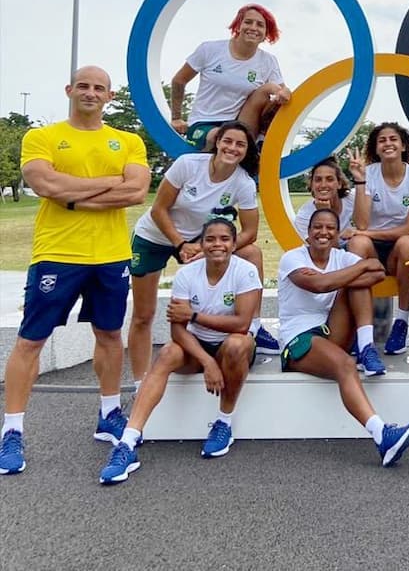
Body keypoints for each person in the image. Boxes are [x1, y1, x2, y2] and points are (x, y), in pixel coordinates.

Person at [0, 67, 150, 477]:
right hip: (57, 253)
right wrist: (104, 186)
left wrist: (70, 194)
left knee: (108, 335)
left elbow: (135, 191)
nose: (90, 92)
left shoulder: (128, 141)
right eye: (83, 86)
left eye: (98, 88)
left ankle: (108, 413)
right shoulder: (42, 137)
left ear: (109, 96)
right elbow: (43, 183)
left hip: (110, 255)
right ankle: (11, 430)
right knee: (31, 340)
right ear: (69, 90)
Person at [98, 217, 260, 484]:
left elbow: (242, 324)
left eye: (224, 239)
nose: (217, 244)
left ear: (233, 244)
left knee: (236, 344)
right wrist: (207, 362)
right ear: (201, 244)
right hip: (197, 346)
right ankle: (128, 443)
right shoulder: (186, 274)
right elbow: (177, 330)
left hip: (231, 344)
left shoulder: (245, 271)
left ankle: (223, 423)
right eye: (210, 239)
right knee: (168, 353)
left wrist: (194, 315)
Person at [127, 121, 276, 389]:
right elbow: (159, 209)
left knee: (252, 253)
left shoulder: (242, 181)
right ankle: (140, 383)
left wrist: (207, 247)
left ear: (246, 152)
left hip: (197, 241)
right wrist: (181, 245)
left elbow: (250, 232)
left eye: (240, 144)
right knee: (143, 314)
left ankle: (254, 326)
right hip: (156, 236)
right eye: (227, 141)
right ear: (217, 142)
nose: (232, 148)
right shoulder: (188, 164)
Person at [275, 207, 409, 466]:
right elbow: (319, 285)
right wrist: (355, 269)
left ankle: (366, 347)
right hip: (299, 337)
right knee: (345, 364)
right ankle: (381, 434)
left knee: (358, 283)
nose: (323, 232)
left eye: (330, 227)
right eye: (317, 227)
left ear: (337, 234)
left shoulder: (341, 258)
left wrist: (340, 276)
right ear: (307, 233)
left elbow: (376, 272)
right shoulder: (292, 258)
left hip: (330, 329)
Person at [348, 122, 409, 356]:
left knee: (408, 243)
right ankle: (359, 329)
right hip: (371, 248)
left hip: (398, 249)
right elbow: (361, 224)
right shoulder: (368, 173)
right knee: (356, 243)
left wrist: (366, 233)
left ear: (403, 145)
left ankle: (401, 323)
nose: (388, 143)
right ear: (376, 148)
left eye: (393, 139)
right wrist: (360, 180)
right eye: (382, 140)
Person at [170, 3, 291, 150]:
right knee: (225, 138)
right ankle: (247, 148)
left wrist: (282, 93)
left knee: (272, 88)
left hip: (240, 124)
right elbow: (179, 80)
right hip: (204, 123)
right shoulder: (210, 50)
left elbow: (283, 92)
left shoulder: (268, 61)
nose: (253, 28)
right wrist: (176, 118)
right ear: (238, 26)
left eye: (260, 25)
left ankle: (262, 141)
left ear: (266, 33)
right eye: (248, 22)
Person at [293, 156, 356, 244]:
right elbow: (323, 250)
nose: (323, 185)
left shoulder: (353, 199)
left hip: (357, 251)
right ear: (311, 185)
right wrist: (324, 212)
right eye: (318, 180)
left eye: (329, 179)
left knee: (358, 243)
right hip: (329, 255)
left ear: (339, 184)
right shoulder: (304, 217)